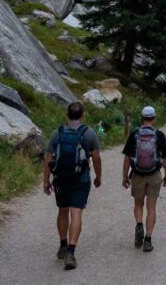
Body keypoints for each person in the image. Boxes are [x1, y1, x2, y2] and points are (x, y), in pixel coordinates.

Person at [43, 101, 102, 271]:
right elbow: (96, 158)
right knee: (76, 214)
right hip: (81, 179)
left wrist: (46, 181)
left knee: (63, 211)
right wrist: (98, 177)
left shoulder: (57, 133)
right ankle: (71, 251)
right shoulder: (89, 133)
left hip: (60, 178)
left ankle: (62, 244)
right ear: (82, 115)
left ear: (67, 115)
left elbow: (48, 159)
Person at [122, 105, 166, 252]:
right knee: (151, 207)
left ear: (142, 118)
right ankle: (148, 240)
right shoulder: (159, 135)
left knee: (138, 204)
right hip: (154, 175)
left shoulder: (134, 134)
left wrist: (125, 175)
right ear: (154, 118)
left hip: (137, 174)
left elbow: (127, 157)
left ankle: (139, 225)